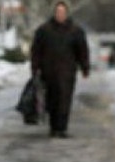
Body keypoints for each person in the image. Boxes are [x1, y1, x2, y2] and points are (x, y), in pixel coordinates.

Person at [31, 1, 90, 138]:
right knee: (52, 100)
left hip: (67, 72)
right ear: (54, 13)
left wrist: (85, 68)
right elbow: (36, 51)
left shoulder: (75, 31)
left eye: (63, 12)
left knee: (65, 99)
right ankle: (53, 127)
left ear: (66, 13)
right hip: (49, 71)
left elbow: (82, 51)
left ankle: (62, 128)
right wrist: (35, 68)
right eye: (58, 12)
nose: (60, 14)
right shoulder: (44, 30)